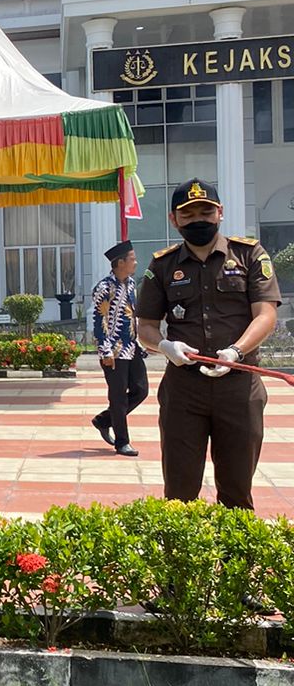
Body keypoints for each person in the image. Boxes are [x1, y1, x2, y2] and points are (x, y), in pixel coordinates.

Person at [136, 179, 280, 509]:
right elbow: (145, 326)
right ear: (174, 219)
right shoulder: (162, 265)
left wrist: (236, 351)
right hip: (184, 392)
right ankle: (182, 560)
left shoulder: (249, 255)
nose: (199, 219)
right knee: (179, 492)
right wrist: (166, 346)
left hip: (238, 389)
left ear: (220, 214)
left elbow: (266, 315)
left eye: (206, 211)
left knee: (236, 489)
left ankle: (235, 560)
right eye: (189, 214)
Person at [91, 239, 149, 458]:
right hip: (113, 352)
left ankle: (104, 420)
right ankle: (122, 442)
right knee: (118, 397)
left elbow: (131, 316)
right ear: (120, 262)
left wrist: (139, 343)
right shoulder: (104, 288)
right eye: (132, 259)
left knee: (141, 390)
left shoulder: (132, 284)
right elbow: (99, 321)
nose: (136, 262)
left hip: (131, 347)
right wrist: (105, 351)